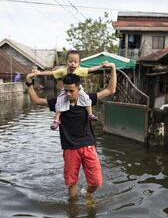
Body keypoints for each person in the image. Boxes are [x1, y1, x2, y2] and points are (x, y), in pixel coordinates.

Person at [25, 61, 117, 204]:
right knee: (71, 182)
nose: (68, 94)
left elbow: (110, 90)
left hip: (88, 145)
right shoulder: (59, 102)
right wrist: (29, 84)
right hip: (69, 148)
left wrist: (113, 68)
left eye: (71, 91)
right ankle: (72, 207)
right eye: (65, 90)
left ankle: (87, 193)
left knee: (96, 182)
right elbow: (36, 100)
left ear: (79, 89)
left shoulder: (86, 100)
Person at [33, 50, 106, 130]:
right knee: (60, 100)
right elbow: (51, 73)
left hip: (78, 89)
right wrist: (39, 73)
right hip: (65, 89)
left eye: (75, 62)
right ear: (66, 62)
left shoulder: (80, 70)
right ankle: (57, 119)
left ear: (79, 63)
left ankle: (90, 114)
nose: (73, 63)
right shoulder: (63, 71)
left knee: (86, 98)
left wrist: (101, 66)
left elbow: (91, 70)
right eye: (70, 61)